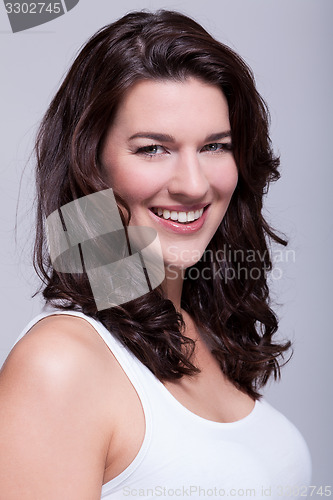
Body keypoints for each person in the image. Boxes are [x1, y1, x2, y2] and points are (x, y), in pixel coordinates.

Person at [0, 9, 311, 500]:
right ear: (90, 164)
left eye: (214, 146)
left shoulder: (199, 329)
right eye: (153, 149)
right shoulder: (61, 363)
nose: (192, 184)